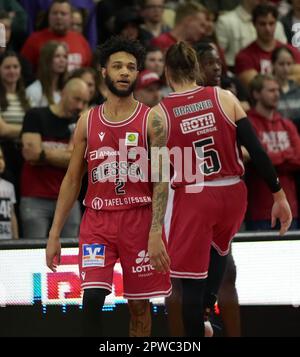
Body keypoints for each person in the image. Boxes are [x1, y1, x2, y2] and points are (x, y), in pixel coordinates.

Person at [158, 41, 292, 337]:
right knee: (221, 251)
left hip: (195, 194)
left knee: (188, 282)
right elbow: (256, 150)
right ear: (196, 69)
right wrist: (278, 195)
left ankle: (198, 329)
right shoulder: (225, 97)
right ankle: (207, 312)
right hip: (233, 193)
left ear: (167, 73)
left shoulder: (160, 113)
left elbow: (157, 172)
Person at [46, 36, 171, 337]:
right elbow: (73, 179)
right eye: (117, 66)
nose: (124, 72)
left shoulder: (153, 120)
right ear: (103, 72)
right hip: (98, 221)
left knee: (139, 308)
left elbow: (162, 180)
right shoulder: (87, 121)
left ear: (138, 72)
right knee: (91, 300)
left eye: (130, 67)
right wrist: (54, 234)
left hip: (139, 220)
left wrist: (156, 231)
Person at [20, 78, 89, 239]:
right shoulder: (35, 115)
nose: (80, 106)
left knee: (69, 252)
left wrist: (43, 154)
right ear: (63, 93)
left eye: (84, 102)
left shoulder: (82, 122)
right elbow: (31, 154)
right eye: (76, 99)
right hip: (35, 197)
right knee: (32, 252)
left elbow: (80, 162)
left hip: (69, 199)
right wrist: (68, 154)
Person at [246, 74, 300, 230]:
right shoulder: (248, 123)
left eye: (277, 90)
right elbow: (255, 161)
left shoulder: (286, 124)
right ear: (256, 94)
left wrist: (267, 157)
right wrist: (285, 155)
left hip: (290, 208)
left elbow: (298, 158)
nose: (276, 94)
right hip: (260, 211)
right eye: (270, 90)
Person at [20, 0, 92, 72]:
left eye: (63, 14)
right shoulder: (34, 40)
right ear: (49, 16)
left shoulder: (80, 40)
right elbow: (24, 71)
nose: (58, 17)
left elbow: (88, 70)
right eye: (54, 13)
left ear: (71, 17)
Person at [26, 41, 68, 108]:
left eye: (65, 57)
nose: (62, 60)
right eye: (57, 56)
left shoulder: (66, 90)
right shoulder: (34, 90)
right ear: (46, 60)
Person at [0, 145, 18, 240]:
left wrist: (15, 237)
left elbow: (12, 214)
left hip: (7, 239)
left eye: (1, 158)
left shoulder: (9, 186)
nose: (0, 162)